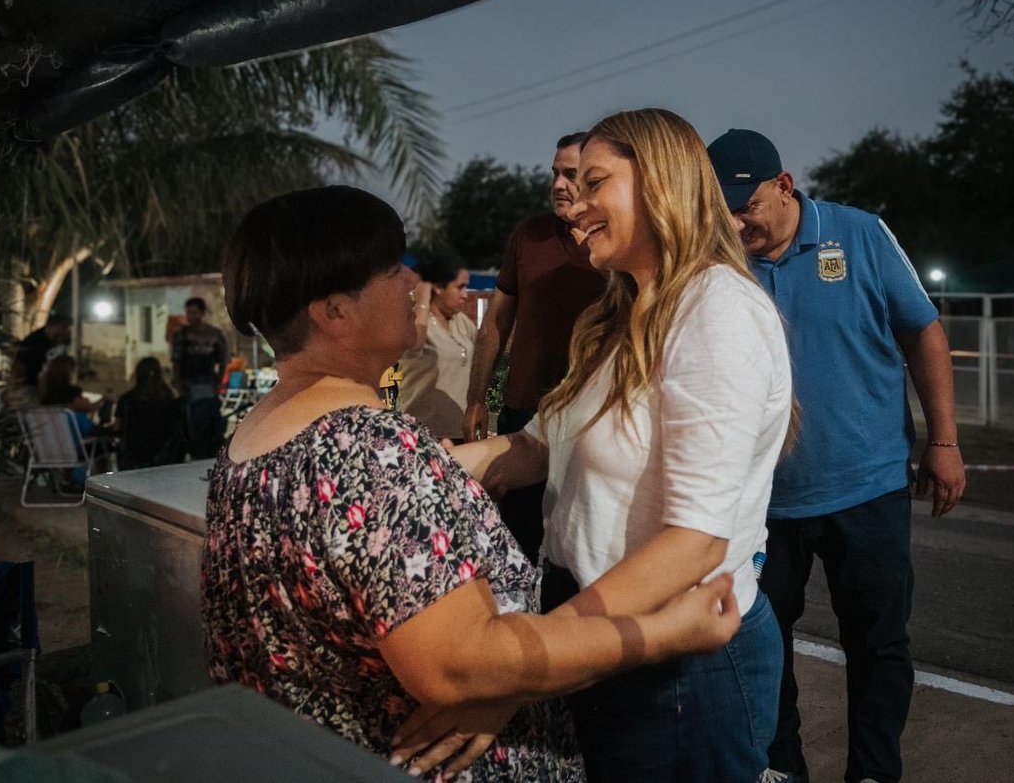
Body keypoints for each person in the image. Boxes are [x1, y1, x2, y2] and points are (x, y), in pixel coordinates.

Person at [201, 185, 742, 782]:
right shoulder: (367, 450)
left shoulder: (257, 433)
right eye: (389, 270)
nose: (412, 282)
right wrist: (666, 632)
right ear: (332, 312)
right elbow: (462, 665)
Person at [451, 110, 793, 781]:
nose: (573, 206)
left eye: (594, 182)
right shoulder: (619, 311)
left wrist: (536, 659)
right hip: (604, 633)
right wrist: (405, 469)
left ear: (661, 182)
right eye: (572, 185)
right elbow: (532, 445)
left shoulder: (717, 312)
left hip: (677, 667)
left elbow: (696, 540)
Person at [706, 128, 967, 783]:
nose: (736, 223)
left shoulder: (860, 234)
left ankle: (874, 770)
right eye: (722, 209)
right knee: (764, 642)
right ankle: (779, 766)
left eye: (747, 205)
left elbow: (924, 332)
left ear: (785, 185)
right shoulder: (715, 259)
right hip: (765, 499)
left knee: (879, 643)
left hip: (868, 487)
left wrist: (943, 441)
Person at [462, 133, 608, 562]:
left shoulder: (616, 245)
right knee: (513, 544)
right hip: (524, 411)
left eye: (572, 175)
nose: (559, 184)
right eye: (555, 174)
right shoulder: (529, 237)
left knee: (581, 546)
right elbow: (496, 322)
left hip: (589, 418)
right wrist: (477, 400)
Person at [398, 251, 477, 441]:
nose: (466, 295)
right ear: (438, 287)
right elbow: (414, 345)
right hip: (422, 434)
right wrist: (422, 299)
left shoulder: (462, 322)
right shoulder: (414, 322)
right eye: (460, 287)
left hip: (462, 432)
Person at [171, 296, 228, 460]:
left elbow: (223, 361)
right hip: (188, 387)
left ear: (202, 313)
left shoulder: (215, 335)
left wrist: (218, 383)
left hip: (208, 386)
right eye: (188, 313)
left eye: (194, 312)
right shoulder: (181, 335)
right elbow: (176, 362)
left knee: (209, 427)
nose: (190, 316)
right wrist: (179, 386)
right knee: (190, 428)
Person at [113, 357, 182, 470]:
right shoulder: (169, 400)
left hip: (133, 458)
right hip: (163, 459)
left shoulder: (126, 399)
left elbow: (117, 427)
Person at [8, 313, 71, 405]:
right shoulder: (34, 342)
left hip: (47, 387)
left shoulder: (56, 340)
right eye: (63, 327)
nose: (65, 331)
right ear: (51, 326)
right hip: (31, 386)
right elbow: (21, 366)